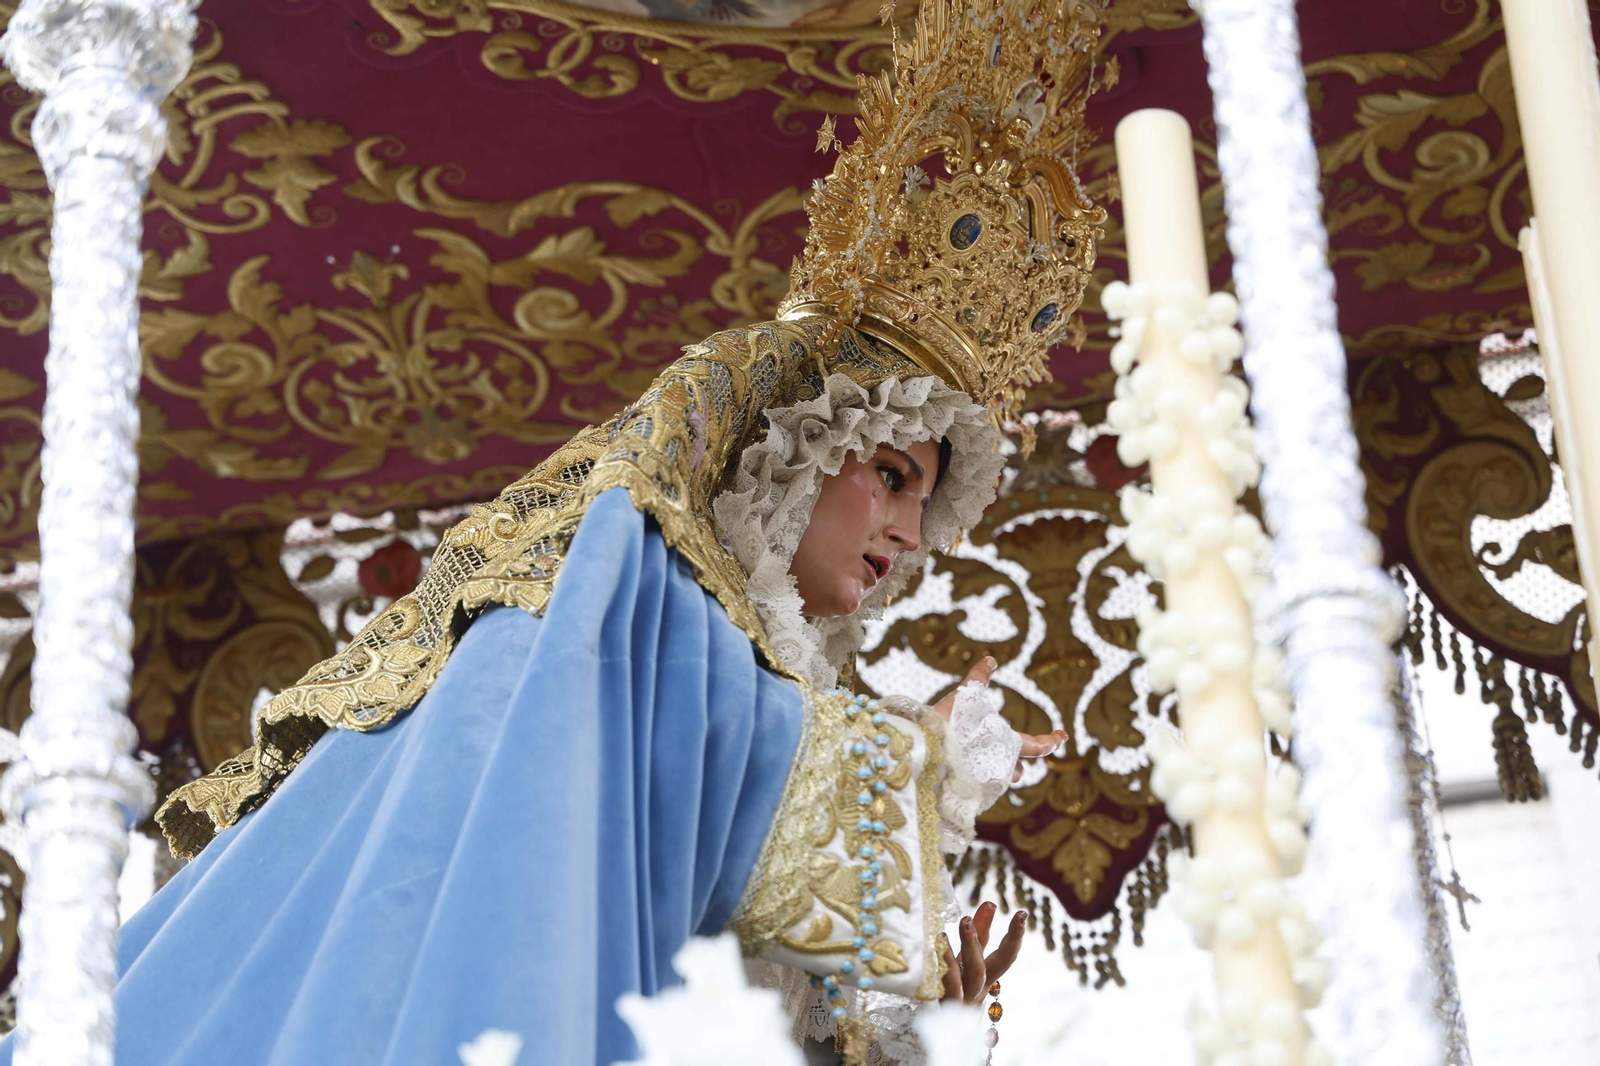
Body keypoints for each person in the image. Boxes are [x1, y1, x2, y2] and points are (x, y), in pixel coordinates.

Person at [1, 2, 1108, 1064]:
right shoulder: (627, 605)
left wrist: (912, 1040)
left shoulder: (760, 690)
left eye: (927, 503)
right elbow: (632, 813)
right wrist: (920, 764)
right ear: (797, 447)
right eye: (894, 477)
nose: (910, 535)